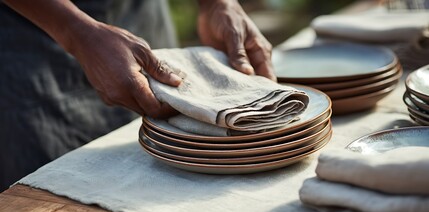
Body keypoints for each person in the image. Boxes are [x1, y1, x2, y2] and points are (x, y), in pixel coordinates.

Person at [0, 0, 275, 191]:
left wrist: (215, 3)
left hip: (140, 18)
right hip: (32, 35)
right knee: (56, 198)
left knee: (172, 178)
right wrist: (73, 30)